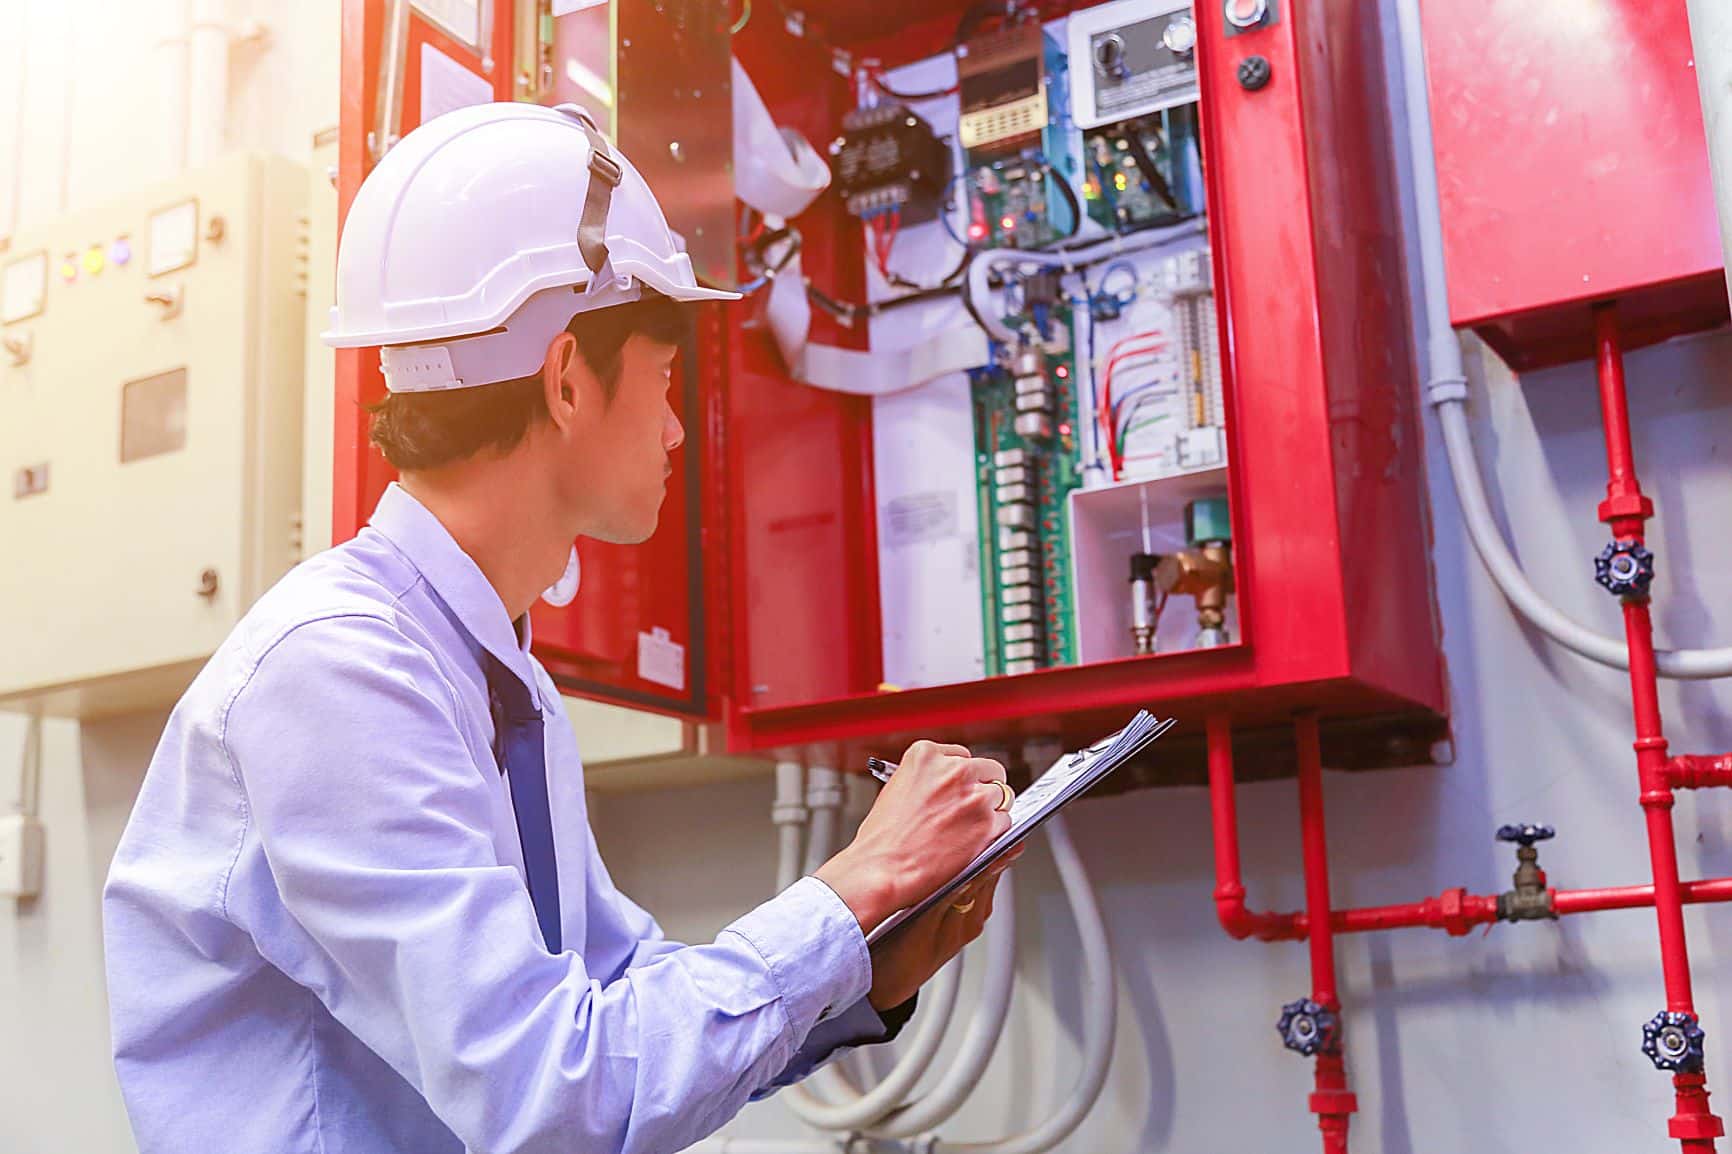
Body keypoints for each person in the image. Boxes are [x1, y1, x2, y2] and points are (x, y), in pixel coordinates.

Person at [102, 101, 1017, 1154]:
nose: (677, 428)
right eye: (667, 380)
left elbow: (618, 1008)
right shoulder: (335, 669)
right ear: (569, 377)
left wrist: (865, 964)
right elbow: (555, 1094)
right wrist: (852, 885)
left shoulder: (495, 677)